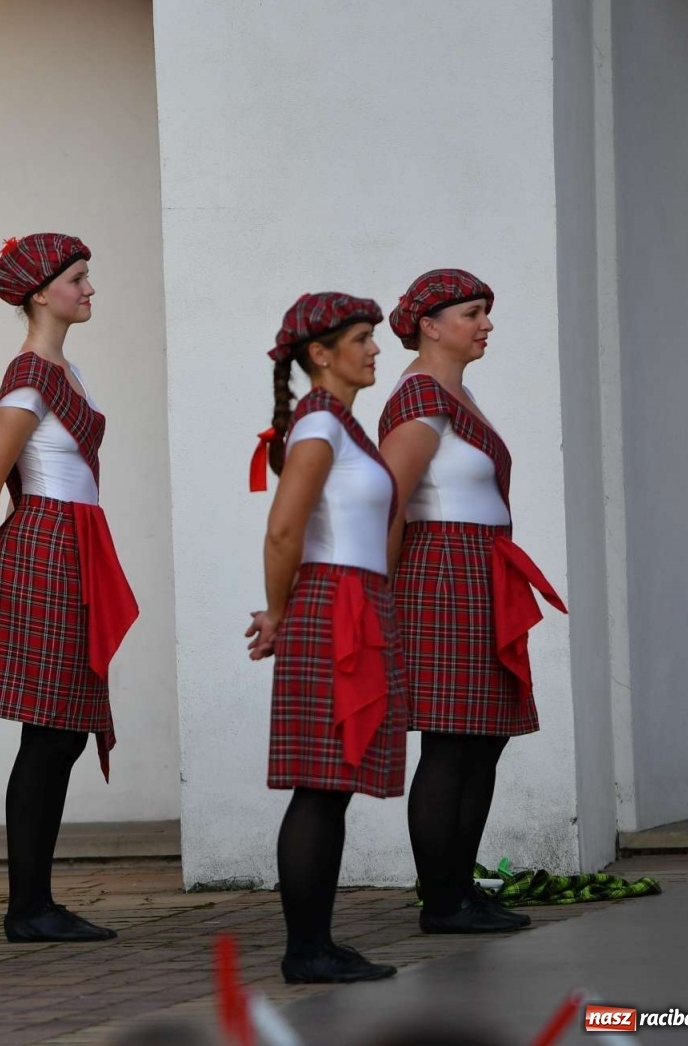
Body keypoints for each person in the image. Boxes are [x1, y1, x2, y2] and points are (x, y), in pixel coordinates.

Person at [379, 269, 564, 934]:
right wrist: (381, 594)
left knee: (482, 739)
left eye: (486, 312)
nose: (485, 324)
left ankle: (460, 885)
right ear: (429, 324)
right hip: (441, 571)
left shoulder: (457, 392)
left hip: (480, 571)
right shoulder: (421, 397)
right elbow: (389, 501)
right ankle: (443, 901)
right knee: (452, 741)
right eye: (471, 313)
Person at [0, 234, 139, 943]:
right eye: (77, 278)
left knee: (61, 731)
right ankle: (27, 906)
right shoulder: (30, 376)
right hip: (46, 545)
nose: (89, 288)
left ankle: (34, 900)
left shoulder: (59, 368)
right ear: (41, 292)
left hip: (71, 542)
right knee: (49, 732)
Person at [244, 291, 408, 984]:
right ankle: (305, 949)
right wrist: (278, 613)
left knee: (332, 783)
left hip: (352, 599)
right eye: (363, 338)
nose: (376, 349)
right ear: (320, 354)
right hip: (330, 601)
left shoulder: (338, 423)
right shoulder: (318, 424)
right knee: (319, 783)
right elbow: (284, 527)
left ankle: (317, 941)